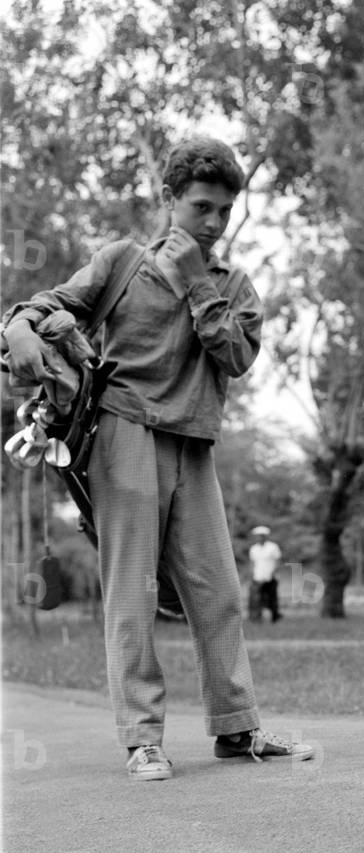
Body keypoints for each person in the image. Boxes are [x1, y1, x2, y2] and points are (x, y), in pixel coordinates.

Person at [0, 137, 313, 781]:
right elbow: (46, 305)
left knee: (219, 589)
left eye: (225, 211)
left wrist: (198, 282)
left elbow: (236, 357)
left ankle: (236, 728)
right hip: (123, 435)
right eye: (201, 206)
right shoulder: (122, 263)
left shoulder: (232, 285)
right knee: (133, 592)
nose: (213, 222)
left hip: (193, 443)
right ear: (168, 200)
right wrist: (19, 329)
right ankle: (141, 737)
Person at [249, 525, 283, 622]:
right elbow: (252, 563)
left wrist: (272, 573)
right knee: (256, 600)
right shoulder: (253, 549)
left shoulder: (273, 547)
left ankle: (274, 617)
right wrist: (252, 575)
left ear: (265, 536)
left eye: (261, 536)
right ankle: (255, 619)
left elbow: (278, 561)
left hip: (270, 577)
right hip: (257, 577)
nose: (259, 538)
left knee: (272, 599)